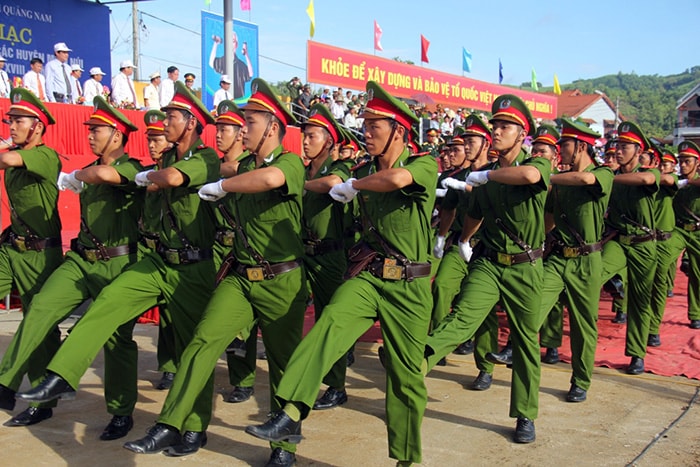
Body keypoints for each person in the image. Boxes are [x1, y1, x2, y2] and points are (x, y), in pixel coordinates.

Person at [246, 80, 437, 467]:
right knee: (329, 322)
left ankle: (405, 459)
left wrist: (354, 184)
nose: (366, 134)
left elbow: (396, 181)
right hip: (368, 277)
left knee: (404, 378)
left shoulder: (422, 163)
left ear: (398, 131)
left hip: (410, 285)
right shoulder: (362, 167)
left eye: (374, 128)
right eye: (364, 126)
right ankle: (290, 413)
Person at [15, 83, 219, 443]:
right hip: (158, 262)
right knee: (107, 304)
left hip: (193, 268)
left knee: (193, 351)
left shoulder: (204, 158)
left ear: (190, 123)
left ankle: (193, 427)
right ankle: (61, 375)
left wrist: (144, 177)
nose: (164, 122)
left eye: (172, 116)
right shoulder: (165, 160)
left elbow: (171, 180)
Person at [122, 78, 306, 465]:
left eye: (250, 122)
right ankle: (170, 422)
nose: (243, 129)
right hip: (241, 276)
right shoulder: (240, 167)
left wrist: (223, 184)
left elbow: (270, 180)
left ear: (272, 126)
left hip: (282, 279)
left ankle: (283, 447)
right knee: (203, 341)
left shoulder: (287, 162)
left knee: (283, 364)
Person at [0, 95, 145, 436]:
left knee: (116, 340)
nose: (90, 135)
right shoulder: (90, 168)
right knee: (40, 309)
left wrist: (79, 174)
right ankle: (7, 384)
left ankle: (122, 412)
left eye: (98, 130)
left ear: (118, 136)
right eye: (90, 129)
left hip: (118, 264)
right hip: (80, 260)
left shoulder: (132, 167)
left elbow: (108, 174)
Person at [423, 94, 549, 444]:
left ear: (522, 133)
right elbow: (475, 213)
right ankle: (418, 360)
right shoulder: (483, 177)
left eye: (504, 126)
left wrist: (486, 175)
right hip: (491, 263)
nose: (496, 131)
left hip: (525, 267)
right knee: (462, 317)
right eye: (494, 125)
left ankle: (525, 414)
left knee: (525, 342)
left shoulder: (535, 162)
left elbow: (529, 175)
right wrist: (461, 240)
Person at [0, 88, 63, 425]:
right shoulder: (14, 153)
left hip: (41, 255)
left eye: (19, 121)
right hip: (12, 249)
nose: (11, 126)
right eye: (9, 120)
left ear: (37, 126)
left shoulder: (46, 155)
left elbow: (9, 159)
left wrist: (5, 148)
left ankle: (44, 399)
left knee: (40, 329)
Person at [539, 119, 613, 402]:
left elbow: (585, 180)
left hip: (587, 260)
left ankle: (581, 379)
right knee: (534, 304)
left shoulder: (602, 172)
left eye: (565, 145)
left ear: (581, 146)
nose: (560, 150)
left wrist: (545, 177)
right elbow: (549, 218)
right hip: (559, 258)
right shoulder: (561, 179)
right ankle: (514, 348)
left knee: (583, 325)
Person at [434, 116, 494, 387]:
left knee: (483, 307)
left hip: (487, 245)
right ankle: (435, 347)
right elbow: (448, 209)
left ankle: (486, 365)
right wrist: (442, 237)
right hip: (460, 244)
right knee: (442, 286)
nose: (467, 145)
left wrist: (470, 187)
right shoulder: (457, 176)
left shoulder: (496, 172)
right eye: (465, 140)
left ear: (486, 144)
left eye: (472, 141)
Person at [600, 121, 660, 375]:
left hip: (643, 246)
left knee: (640, 301)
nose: (619, 150)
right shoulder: (611, 174)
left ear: (638, 151)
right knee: (593, 274)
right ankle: (614, 282)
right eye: (618, 145)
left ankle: (637, 354)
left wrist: (612, 179)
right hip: (617, 241)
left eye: (626, 146)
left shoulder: (649, 173)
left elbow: (646, 178)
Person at [139, 109, 176, 391]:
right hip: (148, 247)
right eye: (149, 140)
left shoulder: (175, 171)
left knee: (174, 315)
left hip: (174, 249)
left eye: (158, 139)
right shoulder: (147, 172)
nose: (152, 144)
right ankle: (169, 366)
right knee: (166, 315)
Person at [648, 145, 680, 346]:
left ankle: (653, 329)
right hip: (640, 241)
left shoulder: (669, 181)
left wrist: (649, 176)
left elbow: (668, 179)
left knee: (658, 286)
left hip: (663, 240)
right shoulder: (636, 182)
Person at [666, 141, 700, 329]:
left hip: (697, 231)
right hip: (677, 230)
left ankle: (695, 313)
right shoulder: (675, 180)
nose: (683, 165)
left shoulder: (692, 182)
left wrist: (686, 182)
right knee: (661, 261)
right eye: (681, 161)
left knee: (697, 275)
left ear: (697, 163)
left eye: (688, 161)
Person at [209, 31, 253, 99]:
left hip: (238, 102)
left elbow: (250, 74)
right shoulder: (223, 60)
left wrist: (246, 54)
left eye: (233, 41)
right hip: (225, 101)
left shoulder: (241, 65)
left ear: (236, 44)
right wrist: (216, 44)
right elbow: (212, 63)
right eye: (228, 41)